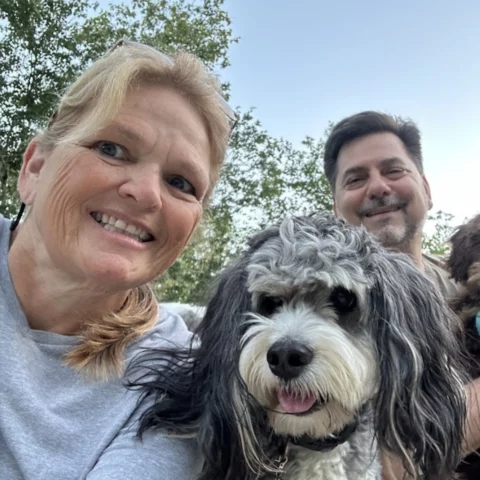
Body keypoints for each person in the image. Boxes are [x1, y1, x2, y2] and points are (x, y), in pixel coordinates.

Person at [0, 39, 235, 480]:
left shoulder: (177, 379)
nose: (146, 193)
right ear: (34, 168)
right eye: (111, 149)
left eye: (181, 182)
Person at [323, 110, 480, 478]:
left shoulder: (466, 281)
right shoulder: (322, 305)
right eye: (356, 178)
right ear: (336, 207)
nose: (378, 187)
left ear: (426, 190)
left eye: (394, 171)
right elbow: (375, 463)